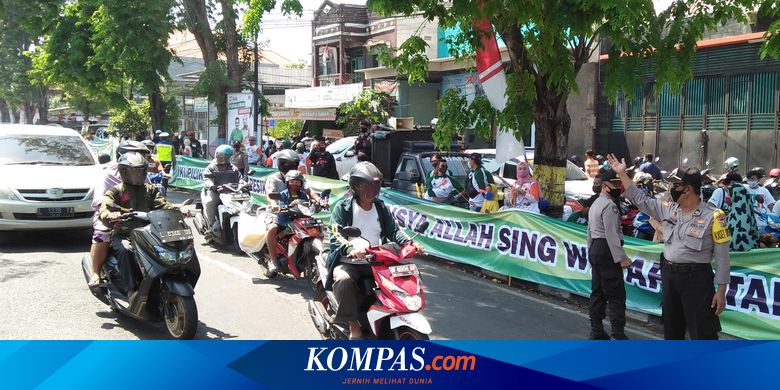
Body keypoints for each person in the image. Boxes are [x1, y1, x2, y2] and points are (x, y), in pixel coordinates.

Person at [608, 155, 730, 340]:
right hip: (670, 276)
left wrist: (721, 291)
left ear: (687, 189)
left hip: (696, 280)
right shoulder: (670, 209)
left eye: (675, 186)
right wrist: (622, 174)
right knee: (672, 330)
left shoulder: (714, 216)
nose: (672, 189)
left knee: (702, 333)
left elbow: (722, 258)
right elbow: (640, 199)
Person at [325, 162, 424, 339]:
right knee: (344, 280)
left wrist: (409, 243)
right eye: (365, 187)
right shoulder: (343, 208)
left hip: (377, 258)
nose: (370, 191)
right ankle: (353, 323)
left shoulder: (380, 207)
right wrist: (350, 248)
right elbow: (335, 234)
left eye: (373, 186)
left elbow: (393, 231)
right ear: (354, 187)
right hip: (351, 261)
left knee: (405, 275)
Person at [98, 153, 177, 300]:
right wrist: (110, 215)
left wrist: (179, 210)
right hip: (124, 234)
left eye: (142, 170)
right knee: (126, 251)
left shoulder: (150, 189)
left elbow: (164, 204)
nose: (139, 174)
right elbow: (104, 208)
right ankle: (130, 290)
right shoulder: (115, 191)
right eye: (135, 171)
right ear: (124, 172)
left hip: (149, 233)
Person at [87, 141, 149, 287]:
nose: (140, 158)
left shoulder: (142, 173)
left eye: (142, 155)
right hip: (112, 217)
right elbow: (101, 201)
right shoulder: (108, 174)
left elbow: (151, 193)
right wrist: (112, 214)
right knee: (103, 233)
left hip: (138, 215)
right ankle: (96, 272)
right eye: (137, 154)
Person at [587, 168, 632, 340]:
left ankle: (596, 330)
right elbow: (611, 234)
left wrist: (590, 251)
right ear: (605, 186)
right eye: (614, 183)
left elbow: (589, 233)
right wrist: (621, 258)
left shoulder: (595, 204)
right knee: (615, 295)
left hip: (596, 249)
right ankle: (618, 334)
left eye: (618, 183)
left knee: (597, 292)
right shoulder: (609, 205)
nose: (618, 186)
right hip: (607, 250)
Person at [264, 150, 322, 276]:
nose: (289, 167)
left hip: (299, 212)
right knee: (273, 228)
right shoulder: (274, 178)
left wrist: (319, 200)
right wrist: (274, 205)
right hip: (278, 212)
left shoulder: (298, 177)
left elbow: (310, 191)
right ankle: (273, 261)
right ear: (280, 164)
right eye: (286, 164)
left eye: (293, 164)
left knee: (315, 227)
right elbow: (270, 194)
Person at [201, 145, 241, 236]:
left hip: (231, 193)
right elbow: (206, 179)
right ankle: (211, 227)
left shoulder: (233, 168)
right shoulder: (212, 167)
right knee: (209, 203)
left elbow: (240, 179)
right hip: (215, 192)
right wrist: (212, 186)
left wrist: (245, 184)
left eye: (227, 157)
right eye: (222, 156)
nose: (223, 159)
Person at [725, 174, 758, 251]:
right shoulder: (749, 213)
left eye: (729, 193)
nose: (727, 196)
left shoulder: (736, 216)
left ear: (735, 193)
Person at [745, 167, 776, 231]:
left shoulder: (764, 190)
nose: (751, 181)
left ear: (758, 179)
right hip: (749, 219)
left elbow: (770, 205)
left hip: (763, 220)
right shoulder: (744, 189)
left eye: (753, 179)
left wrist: (773, 217)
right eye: (749, 179)